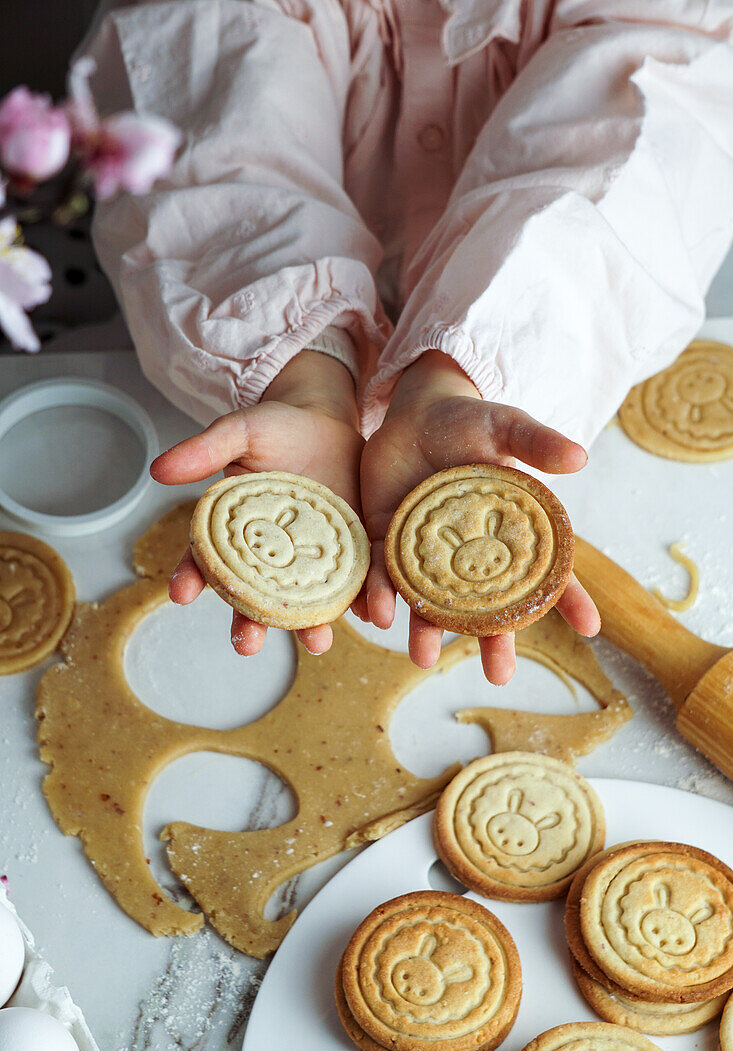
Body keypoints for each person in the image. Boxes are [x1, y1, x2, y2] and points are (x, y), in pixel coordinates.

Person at [82, 0, 733, 683]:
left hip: (534, 362)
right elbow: (205, 103)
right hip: (239, 357)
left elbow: (655, 112)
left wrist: (469, 366)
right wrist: (301, 367)